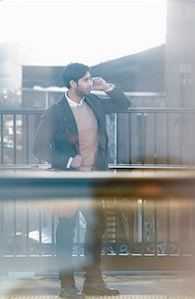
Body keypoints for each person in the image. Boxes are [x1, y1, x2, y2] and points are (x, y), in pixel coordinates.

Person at [33, 63, 131, 298]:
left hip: (94, 179)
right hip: (69, 180)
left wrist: (106, 86)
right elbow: (38, 148)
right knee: (66, 230)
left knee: (97, 228)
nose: (90, 82)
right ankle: (67, 286)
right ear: (73, 83)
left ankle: (93, 282)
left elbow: (123, 104)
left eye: (90, 79)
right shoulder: (55, 112)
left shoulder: (94, 102)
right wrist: (68, 161)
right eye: (86, 80)